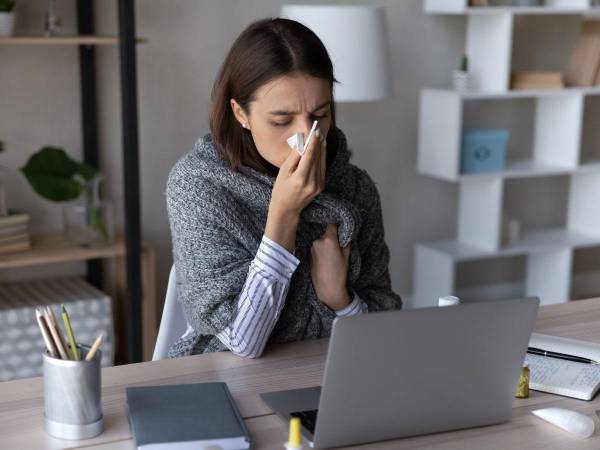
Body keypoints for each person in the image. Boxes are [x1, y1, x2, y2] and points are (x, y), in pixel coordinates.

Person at [166, 17, 402, 359]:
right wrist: (284, 214)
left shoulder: (355, 188)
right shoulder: (200, 188)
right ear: (240, 114)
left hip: (330, 376)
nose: (306, 136)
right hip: (228, 379)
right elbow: (243, 344)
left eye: (320, 115)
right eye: (281, 121)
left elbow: (384, 331)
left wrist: (340, 300)